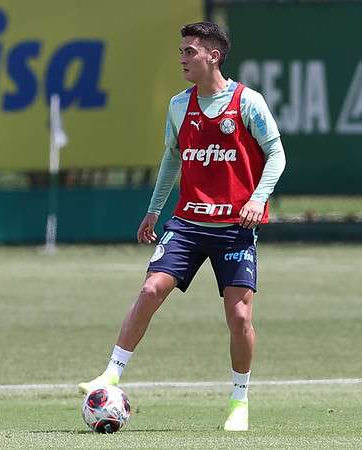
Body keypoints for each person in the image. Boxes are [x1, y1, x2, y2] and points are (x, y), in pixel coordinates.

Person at [78, 21, 286, 431]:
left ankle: (239, 401)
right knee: (150, 288)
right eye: (182, 51)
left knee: (240, 317)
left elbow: (276, 154)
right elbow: (172, 157)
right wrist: (154, 210)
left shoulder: (247, 102)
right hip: (188, 221)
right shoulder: (179, 105)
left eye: (190, 51)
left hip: (234, 227)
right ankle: (111, 373)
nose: (183, 58)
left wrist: (257, 199)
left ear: (214, 55)